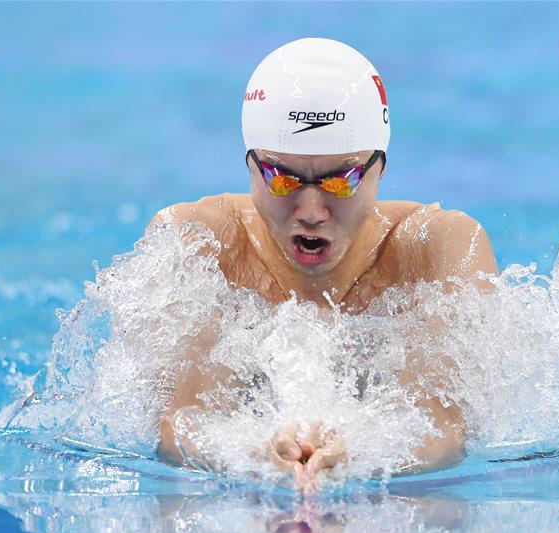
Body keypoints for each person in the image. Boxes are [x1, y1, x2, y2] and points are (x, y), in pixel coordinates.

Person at [148, 38, 498, 490]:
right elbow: (176, 425)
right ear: (251, 166)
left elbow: (447, 430)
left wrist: (364, 454)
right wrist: (249, 454)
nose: (311, 210)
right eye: (281, 178)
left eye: (341, 180)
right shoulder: (199, 244)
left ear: (381, 169)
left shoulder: (435, 249)